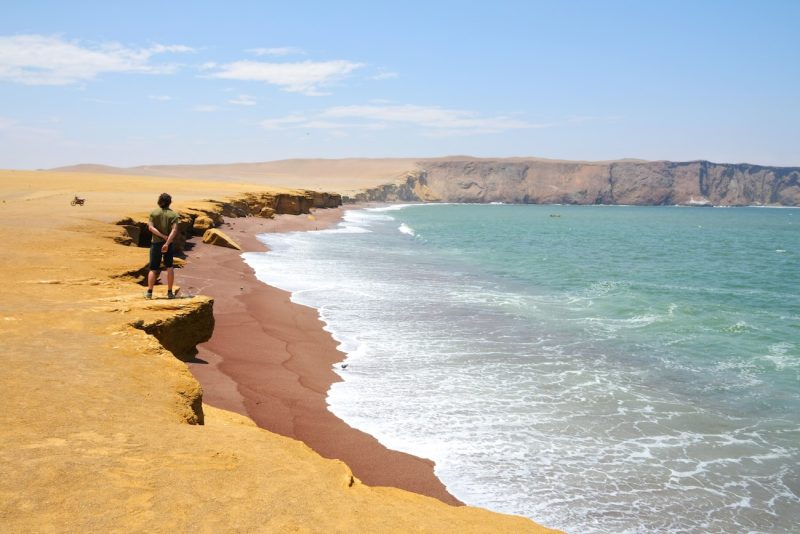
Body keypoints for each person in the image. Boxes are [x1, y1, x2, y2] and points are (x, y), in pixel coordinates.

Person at [145, 193, 180, 299]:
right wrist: (167, 242)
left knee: (153, 268)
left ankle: (149, 293)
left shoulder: (154, 213)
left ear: (159, 201)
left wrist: (162, 236)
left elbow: (150, 228)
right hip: (168, 244)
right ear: (170, 202)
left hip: (155, 243)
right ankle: (170, 292)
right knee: (169, 267)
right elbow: (174, 230)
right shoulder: (173, 215)